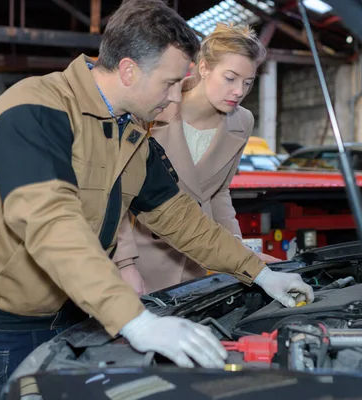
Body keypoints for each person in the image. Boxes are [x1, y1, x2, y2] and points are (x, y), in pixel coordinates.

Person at [0, 1, 314, 398]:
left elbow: (180, 218)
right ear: (128, 70)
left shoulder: (130, 130)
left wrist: (258, 271)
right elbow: (50, 224)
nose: (175, 99)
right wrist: (135, 320)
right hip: (4, 326)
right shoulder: (33, 110)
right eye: (170, 83)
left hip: (80, 312)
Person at [114, 23, 280, 295]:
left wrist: (237, 252)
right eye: (230, 78)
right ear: (204, 68)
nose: (239, 90)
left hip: (196, 262)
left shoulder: (243, 122)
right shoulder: (153, 109)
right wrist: (124, 264)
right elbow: (117, 193)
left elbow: (217, 193)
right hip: (140, 260)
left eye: (248, 82)